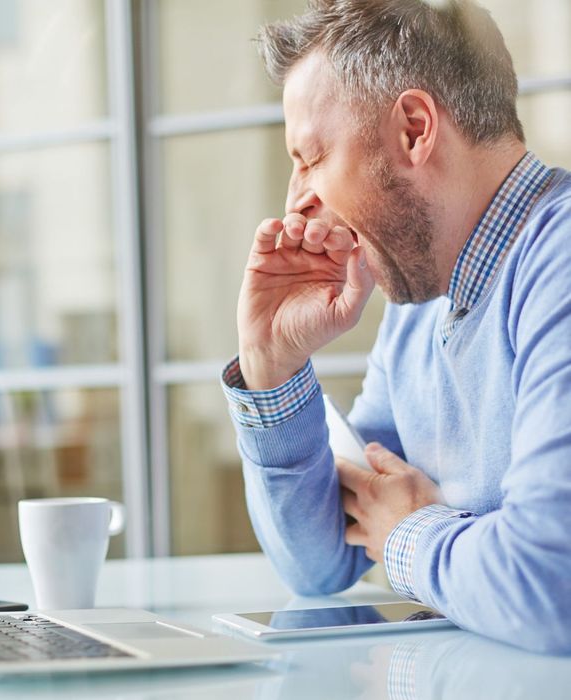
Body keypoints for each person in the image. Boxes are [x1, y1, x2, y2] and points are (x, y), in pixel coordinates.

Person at [221, 0, 571, 654]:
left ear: (413, 129)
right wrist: (272, 367)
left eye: (311, 155)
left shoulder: (561, 265)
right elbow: (321, 562)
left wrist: (408, 533)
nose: (297, 198)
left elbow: (551, 583)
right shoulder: (419, 313)